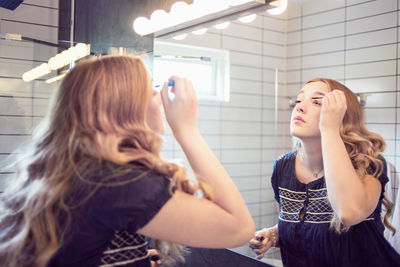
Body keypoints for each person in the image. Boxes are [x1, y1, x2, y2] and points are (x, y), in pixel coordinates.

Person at [0, 55, 255, 267]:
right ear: (128, 108)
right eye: (152, 89)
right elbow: (239, 228)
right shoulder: (118, 182)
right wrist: (187, 130)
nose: (161, 98)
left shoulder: (75, 171)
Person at [248, 78, 400, 267]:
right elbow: (298, 225)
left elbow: (349, 212)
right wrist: (273, 234)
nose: (299, 108)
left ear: (341, 116)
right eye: (299, 101)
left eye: (317, 102)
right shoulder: (283, 167)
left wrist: (329, 129)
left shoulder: (366, 164)